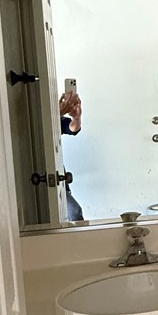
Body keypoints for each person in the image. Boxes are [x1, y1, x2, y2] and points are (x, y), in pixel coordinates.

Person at [58, 91, 84, 222]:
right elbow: (46, 123)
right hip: (48, 183)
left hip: (61, 184)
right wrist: (59, 111)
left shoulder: (55, 118)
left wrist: (77, 118)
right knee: (74, 212)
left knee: (74, 212)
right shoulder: (42, 118)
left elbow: (72, 128)